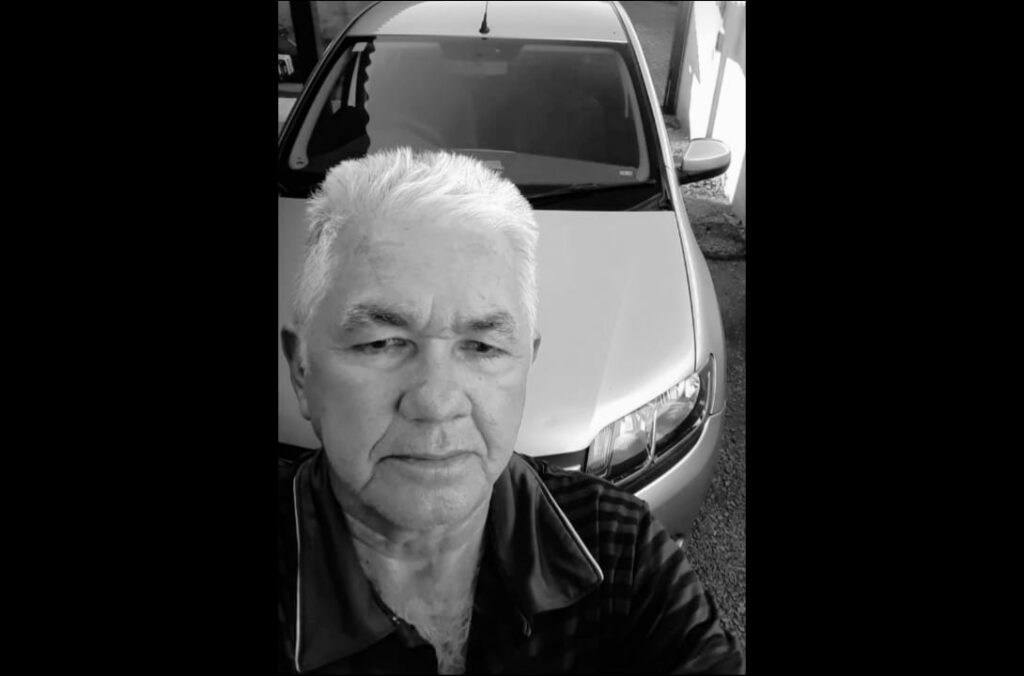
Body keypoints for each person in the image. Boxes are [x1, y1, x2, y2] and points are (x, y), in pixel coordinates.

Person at [278, 148, 744, 674]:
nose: (436, 402)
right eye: (382, 343)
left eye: (482, 347)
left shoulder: (622, 551)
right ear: (302, 371)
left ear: (528, 362)